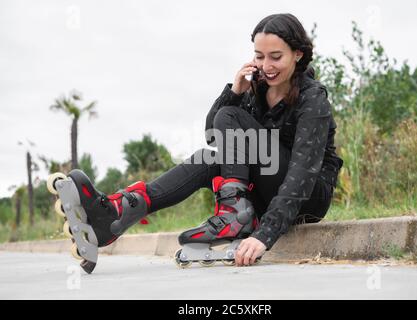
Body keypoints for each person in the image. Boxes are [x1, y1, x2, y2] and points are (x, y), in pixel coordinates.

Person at [60, 13, 343, 268]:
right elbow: (214, 133)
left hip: (307, 197)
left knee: (230, 118)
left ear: (297, 54)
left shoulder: (312, 99)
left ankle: (236, 214)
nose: (266, 66)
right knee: (209, 157)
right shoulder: (256, 89)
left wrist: (264, 235)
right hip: (267, 188)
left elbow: (301, 175)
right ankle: (115, 214)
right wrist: (234, 91)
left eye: (275, 57)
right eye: (259, 56)